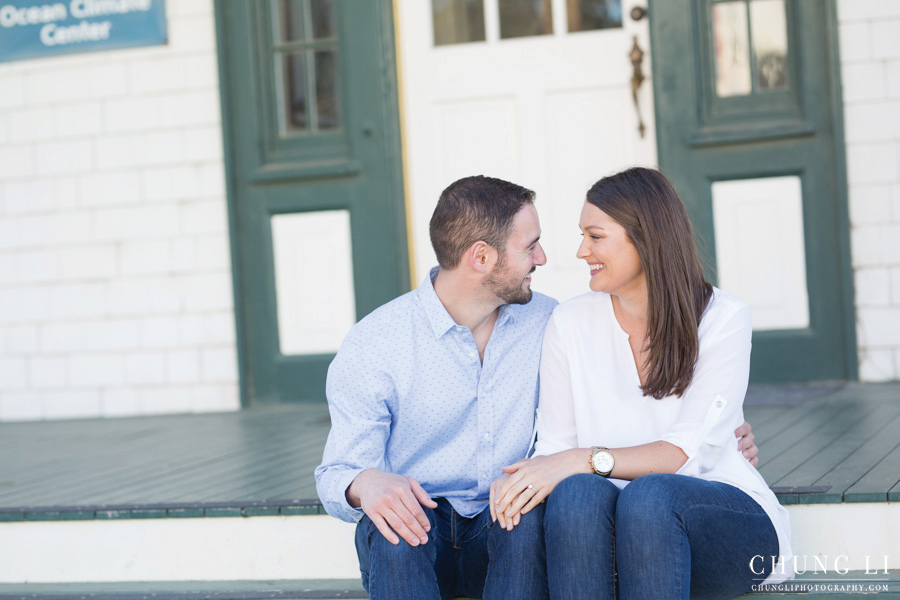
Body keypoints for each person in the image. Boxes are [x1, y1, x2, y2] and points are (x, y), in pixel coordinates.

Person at [315, 174, 761, 600]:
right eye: (530, 246)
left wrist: (721, 431)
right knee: (392, 526)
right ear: (481, 258)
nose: (545, 257)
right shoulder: (375, 344)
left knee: (526, 513)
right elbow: (337, 471)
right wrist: (365, 483)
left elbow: (647, 404)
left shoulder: (547, 320)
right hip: (418, 529)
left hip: (505, 524)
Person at [490, 167, 792, 600]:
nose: (581, 251)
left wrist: (586, 459)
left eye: (595, 236)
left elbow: (688, 453)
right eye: (582, 236)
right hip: (611, 528)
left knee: (649, 498)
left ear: (647, 238)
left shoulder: (723, 318)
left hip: (720, 520)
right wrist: (521, 482)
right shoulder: (569, 322)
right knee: (575, 495)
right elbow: (556, 450)